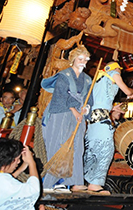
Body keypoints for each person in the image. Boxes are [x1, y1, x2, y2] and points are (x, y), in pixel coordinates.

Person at [41, 45, 93, 191]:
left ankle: (72, 181)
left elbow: (89, 99)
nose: (83, 62)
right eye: (80, 59)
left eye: (85, 60)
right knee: (59, 145)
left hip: (79, 116)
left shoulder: (88, 80)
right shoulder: (64, 75)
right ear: (73, 60)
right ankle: (50, 183)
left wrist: (86, 108)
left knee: (77, 146)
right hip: (62, 113)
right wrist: (74, 110)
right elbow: (61, 95)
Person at [83, 61, 133, 194]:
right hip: (102, 121)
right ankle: (95, 184)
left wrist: (112, 108)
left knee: (91, 149)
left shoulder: (99, 79)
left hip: (93, 120)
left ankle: (85, 180)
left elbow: (99, 103)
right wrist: (131, 92)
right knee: (106, 148)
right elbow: (126, 90)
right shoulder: (114, 72)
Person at [0, 137, 40, 209]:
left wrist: (21, 169)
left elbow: (4, 184)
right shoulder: (1, 180)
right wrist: (31, 162)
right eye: (17, 159)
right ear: (8, 160)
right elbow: (34, 190)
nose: (19, 162)